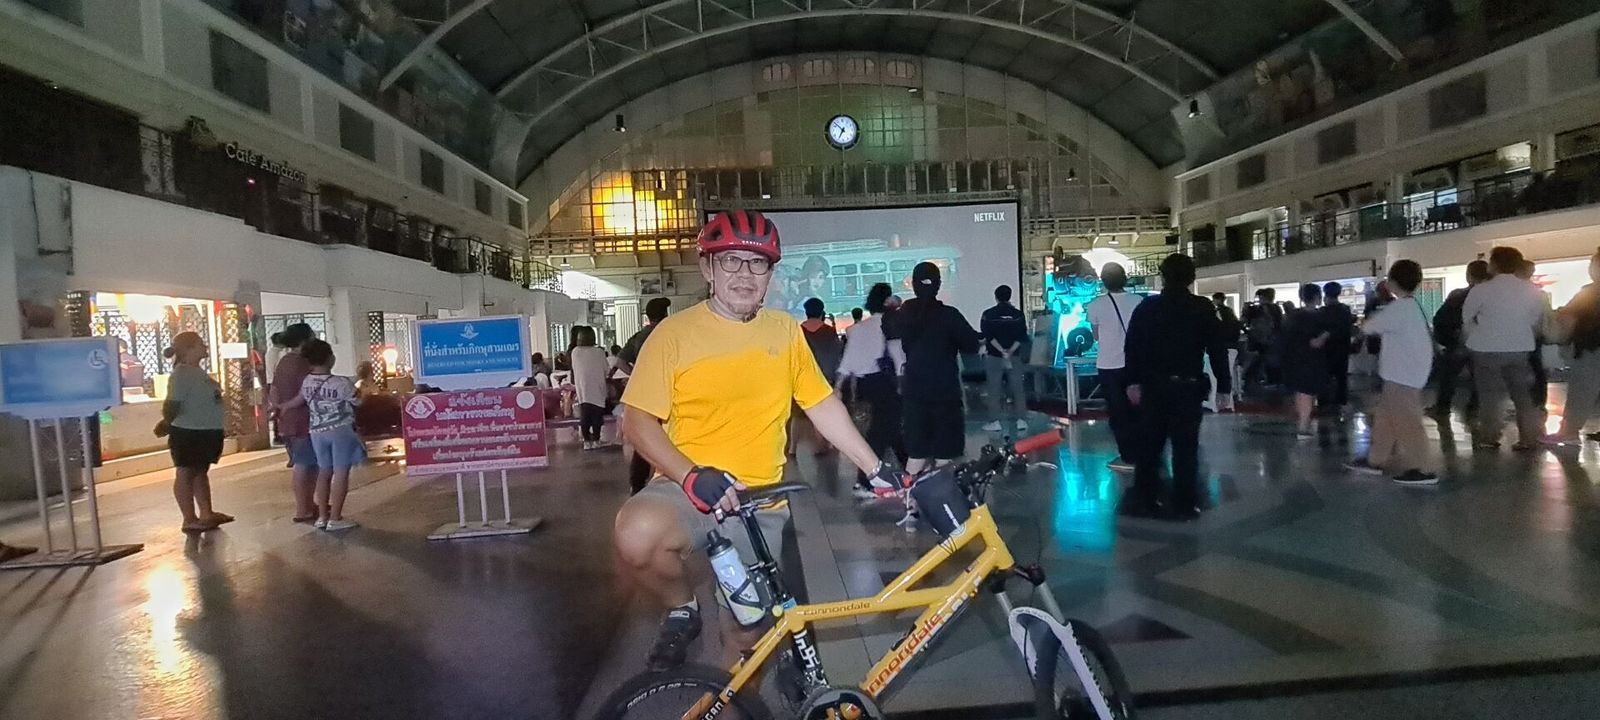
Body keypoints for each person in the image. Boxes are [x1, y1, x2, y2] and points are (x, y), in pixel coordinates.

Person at [613, 209, 904, 671]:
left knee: (746, 637)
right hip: (689, 489)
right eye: (731, 261)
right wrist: (690, 476)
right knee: (637, 534)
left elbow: (821, 404)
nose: (745, 274)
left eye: (758, 263)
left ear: (771, 274)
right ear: (708, 268)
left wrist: (874, 467)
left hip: (758, 503)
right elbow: (637, 421)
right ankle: (682, 607)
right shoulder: (673, 335)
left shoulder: (784, 332)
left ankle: (733, 698)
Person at [1121, 254, 1231, 521]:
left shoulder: (1148, 307)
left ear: (1162, 276)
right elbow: (1217, 349)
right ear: (1192, 278)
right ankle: (1184, 503)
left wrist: (1132, 381)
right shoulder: (1202, 307)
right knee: (1186, 448)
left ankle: (1146, 499)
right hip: (1187, 387)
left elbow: (1132, 346)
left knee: (1150, 446)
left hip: (1153, 387)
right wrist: (1224, 386)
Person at [1345, 261, 1439, 485]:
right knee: (1385, 420)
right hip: (1405, 373)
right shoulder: (1414, 306)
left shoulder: (1398, 309)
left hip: (1402, 376)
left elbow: (1369, 327)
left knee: (1408, 422)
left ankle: (1422, 468)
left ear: (1393, 283)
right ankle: (1375, 460)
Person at [898, 262, 981, 474]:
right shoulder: (949, 315)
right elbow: (971, 344)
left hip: (914, 391)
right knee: (945, 455)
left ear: (913, 284)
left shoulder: (904, 314)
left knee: (916, 454)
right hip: (945, 392)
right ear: (938, 285)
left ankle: (909, 493)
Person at [1462, 246, 1546, 450]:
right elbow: (1535, 318)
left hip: (1486, 349)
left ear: (1494, 264)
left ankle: (1489, 437)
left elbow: (1467, 317)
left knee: (1490, 397)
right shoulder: (1531, 290)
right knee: (1522, 396)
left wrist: (1475, 335)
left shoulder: (1481, 290)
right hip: (1520, 348)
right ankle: (1528, 438)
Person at [276, 340, 364, 531]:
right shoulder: (341, 383)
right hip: (340, 430)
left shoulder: (307, 381)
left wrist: (284, 407)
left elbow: (299, 400)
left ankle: (322, 517)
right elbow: (358, 401)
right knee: (341, 472)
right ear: (331, 359)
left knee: (324, 471)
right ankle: (336, 518)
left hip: (316, 432)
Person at [155, 331, 233, 533]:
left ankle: (206, 513)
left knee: (200, 471)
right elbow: (172, 404)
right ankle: (189, 518)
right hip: (188, 431)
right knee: (186, 472)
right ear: (188, 349)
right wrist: (167, 422)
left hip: (204, 430)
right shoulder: (181, 374)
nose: (205, 347)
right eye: (200, 344)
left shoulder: (196, 372)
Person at [836, 283, 908, 497]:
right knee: (883, 430)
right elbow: (898, 357)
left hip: (866, 384)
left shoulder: (858, 329)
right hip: (887, 383)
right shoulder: (891, 325)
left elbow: (848, 362)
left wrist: (838, 387)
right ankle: (866, 479)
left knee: (890, 428)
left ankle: (909, 470)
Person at [1085, 264, 1144, 470]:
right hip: (1136, 364)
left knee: (1118, 412)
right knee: (1139, 409)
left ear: (1103, 281)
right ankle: (1145, 452)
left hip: (1109, 364)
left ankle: (1127, 456)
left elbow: (1095, 336)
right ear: (1125, 278)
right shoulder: (1139, 301)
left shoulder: (1095, 305)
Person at [1545, 248, 1600, 445]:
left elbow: (1568, 318)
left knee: (1582, 392)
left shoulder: (1589, 293)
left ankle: (1569, 433)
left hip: (1590, 348)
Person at [618, 297, 671, 492]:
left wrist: (637, 375)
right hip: (669, 390)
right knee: (670, 436)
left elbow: (620, 361)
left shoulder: (639, 336)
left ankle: (637, 483)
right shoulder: (670, 332)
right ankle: (670, 478)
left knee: (646, 436)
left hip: (646, 392)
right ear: (665, 314)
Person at [270, 322, 319, 522]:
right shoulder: (301, 363)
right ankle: (303, 508)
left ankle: (308, 504)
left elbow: (274, 388)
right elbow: (307, 391)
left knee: (306, 462)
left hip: (287, 420)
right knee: (305, 464)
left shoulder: (284, 361)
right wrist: (288, 405)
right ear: (305, 340)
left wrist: (278, 407)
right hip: (302, 419)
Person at [1429, 260, 1490, 416]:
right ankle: (1475, 408)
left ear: (1469, 276)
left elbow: (1440, 319)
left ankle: (1442, 407)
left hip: (1459, 342)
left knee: (1449, 376)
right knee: (1480, 378)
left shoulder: (1458, 295)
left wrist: (1447, 338)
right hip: (1484, 343)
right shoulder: (1494, 297)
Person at [1280, 284, 1331, 438]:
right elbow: (1316, 342)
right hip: (1311, 361)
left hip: (1294, 360)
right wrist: (1326, 335)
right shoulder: (1319, 317)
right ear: (1317, 297)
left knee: (1301, 393)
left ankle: (1302, 425)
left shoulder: (1292, 316)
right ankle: (1303, 427)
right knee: (1307, 394)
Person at [793, 298, 843, 455]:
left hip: (802, 376)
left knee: (797, 415)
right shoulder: (828, 331)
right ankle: (825, 443)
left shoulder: (798, 330)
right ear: (822, 311)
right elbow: (836, 352)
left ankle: (792, 447)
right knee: (823, 410)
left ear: (806, 312)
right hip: (825, 375)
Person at [980, 284, 1030, 433]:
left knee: (994, 389)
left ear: (996, 297)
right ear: (1010, 296)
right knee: (1018, 388)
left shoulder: (988, 314)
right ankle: (1021, 420)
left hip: (994, 356)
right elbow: (1022, 336)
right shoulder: (1018, 315)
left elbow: (988, 336)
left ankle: (995, 422)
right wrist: (1010, 351)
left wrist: (1001, 351)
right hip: (1014, 356)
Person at [565, 325, 611, 450]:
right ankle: (596, 440)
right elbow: (606, 370)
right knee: (597, 415)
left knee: (585, 415)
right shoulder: (599, 352)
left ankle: (586, 442)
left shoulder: (575, 352)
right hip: (598, 388)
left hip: (582, 388)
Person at [1517, 259, 1553, 410]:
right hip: (1535, 335)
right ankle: (1538, 401)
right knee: (1536, 367)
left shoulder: (1516, 293)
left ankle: (1527, 401)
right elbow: (1547, 315)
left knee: (1522, 368)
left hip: (1520, 336)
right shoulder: (1539, 293)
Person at [1319, 281, 1356, 409]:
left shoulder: (1322, 311)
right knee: (1341, 377)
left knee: (1325, 377)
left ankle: (1324, 402)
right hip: (1342, 348)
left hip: (1326, 349)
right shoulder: (1345, 310)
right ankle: (1341, 401)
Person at [1212, 293, 1243, 410]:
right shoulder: (1229, 311)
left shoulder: (1217, 312)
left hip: (1223, 345)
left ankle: (1218, 395)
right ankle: (1234, 391)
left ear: (1217, 300)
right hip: (1233, 345)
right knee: (1232, 368)